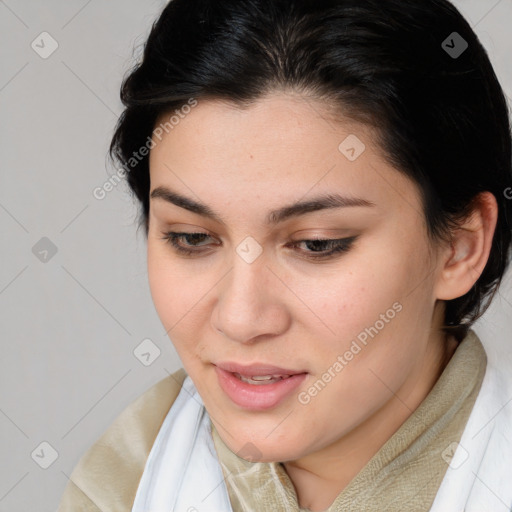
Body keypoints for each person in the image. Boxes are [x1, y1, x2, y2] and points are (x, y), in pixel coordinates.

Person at [57, 0, 512, 510]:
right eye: (191, 237)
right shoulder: (122, 484)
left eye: (317, 243)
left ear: (459, 246)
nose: (241, 318)